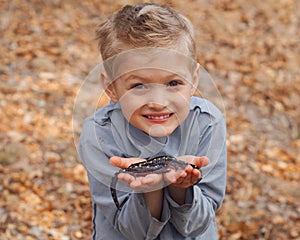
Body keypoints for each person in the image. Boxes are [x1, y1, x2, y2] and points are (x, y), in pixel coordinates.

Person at [78, 3, 226, 240]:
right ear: (111, 88)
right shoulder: (99, 135)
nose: (158, 102)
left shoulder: (207, 122)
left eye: (173, 83)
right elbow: (133, 232)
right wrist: (150, 190)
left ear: (194, 79)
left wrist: (180, 189)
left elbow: (199, 224)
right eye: (138, 85)